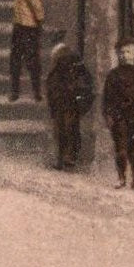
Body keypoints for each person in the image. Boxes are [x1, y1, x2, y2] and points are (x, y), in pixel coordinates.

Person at [102, 37, 134, 192]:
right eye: (122, 52)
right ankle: (121, 178)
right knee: (121, 150)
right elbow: (107, 99)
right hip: (120, 119)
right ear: (118, 55)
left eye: (128, 51)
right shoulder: (113, 75)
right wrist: (109, 116)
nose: (125, 55)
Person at [45, 35, 94, 169]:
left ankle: (66, 157)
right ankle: (67, 157)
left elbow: (53, 85)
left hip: (64, 101)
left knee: (64, 129)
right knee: (69, 128)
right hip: (67, 101)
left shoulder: (62, 64)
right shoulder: (74, 63)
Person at [10, 0, 45, 102]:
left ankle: (18, 92)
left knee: (19, 60)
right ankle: (34, 92)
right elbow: (40, 13)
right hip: (28, 29)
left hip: (23, 28)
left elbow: (38, 11)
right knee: (31, 60)